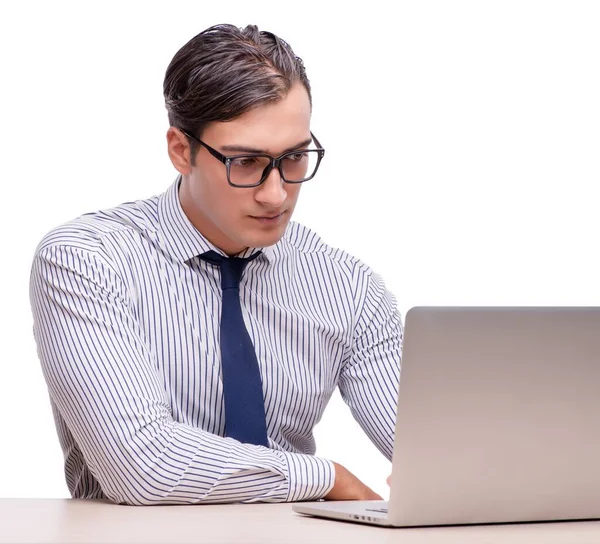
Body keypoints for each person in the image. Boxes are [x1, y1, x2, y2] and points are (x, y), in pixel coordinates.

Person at [29, 23, 402, 505]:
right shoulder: (86, 263)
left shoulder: (348, 287)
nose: (276, 194)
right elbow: (142, 466)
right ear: (181, 151)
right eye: (245, 162)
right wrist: (326, 478)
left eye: (294, 157)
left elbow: (433, 450)